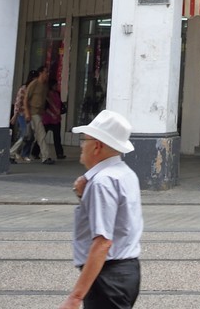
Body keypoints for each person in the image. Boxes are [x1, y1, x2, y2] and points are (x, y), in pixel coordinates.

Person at [62, 110, 143, 309]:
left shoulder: (103, 182)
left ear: (97, 146)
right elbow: (118, 221)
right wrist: (83, 195)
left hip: (108, 277)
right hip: (126, 271)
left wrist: (75, 297)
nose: (82, 145)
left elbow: (103, 242)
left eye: (85, 139)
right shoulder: (125, 174)